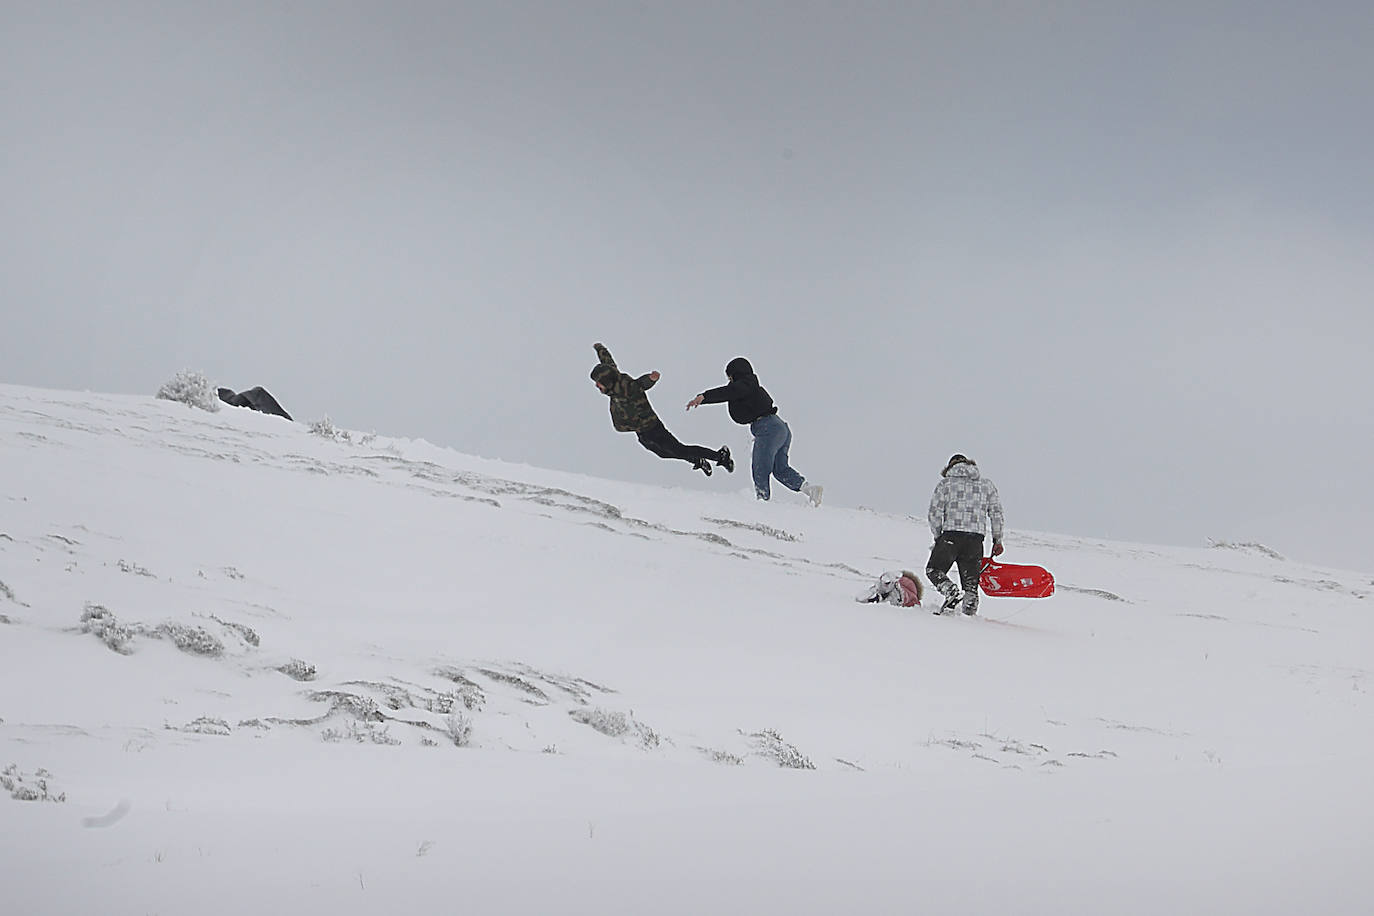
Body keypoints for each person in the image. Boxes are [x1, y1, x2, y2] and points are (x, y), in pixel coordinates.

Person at [685, 357, 822, 506]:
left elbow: (728, 392)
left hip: (768, 428)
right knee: (780, 469)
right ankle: (809, 489)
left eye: (730, 376)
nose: (729, 380)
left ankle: (763, 503)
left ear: (736, 373)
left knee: (760, 468)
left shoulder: (744, 384)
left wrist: (704, 397)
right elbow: (731, 392)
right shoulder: (750, 385)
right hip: (781, 428)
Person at [591, 343, 733, 476]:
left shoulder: (627, 388)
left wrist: (651, 379)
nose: (597, 386)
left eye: (599, 383)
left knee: (680, 450)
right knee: (663, 454)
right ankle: (697, 460)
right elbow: (608, 362)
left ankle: (720, 456)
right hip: (641, 432)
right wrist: (599, 348)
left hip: (652, 428)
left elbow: (640, 384)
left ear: (607, 381)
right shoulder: (612, 376)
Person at [926, 454, 1005, 616]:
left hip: (950, 537)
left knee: (933, 570)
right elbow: (996, 513)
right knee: (970, 584)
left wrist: (937, 535)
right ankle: (969, 617)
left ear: (950, 467)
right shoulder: (986, 485)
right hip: (975, 540)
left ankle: (950, 591)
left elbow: (934, 513)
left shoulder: (945, 485)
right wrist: (998, 540)